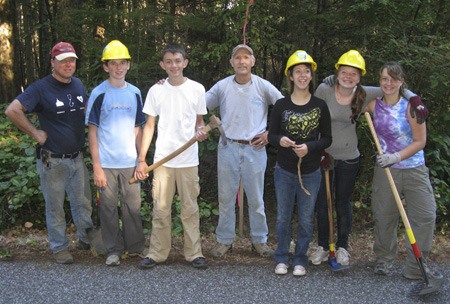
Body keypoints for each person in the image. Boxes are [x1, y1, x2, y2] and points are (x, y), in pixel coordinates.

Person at [310, 50, 429, 266]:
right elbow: (313, 114)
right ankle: (323, 245)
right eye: (343, 72)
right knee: (322, 203)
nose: (348, 76)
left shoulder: (365, 93)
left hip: (350, 157)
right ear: (337, 73)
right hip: (324, 155)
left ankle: (343, 247)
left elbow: (395, 88)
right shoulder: (325, 89)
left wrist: (415, 98)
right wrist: (318, 149)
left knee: (342, 203)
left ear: (360, 77)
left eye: (353, 73)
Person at [4, 42, 94, 264]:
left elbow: (85, 111)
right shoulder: (41, 88)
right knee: (55, 206)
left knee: (83, 202)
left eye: (71, 60)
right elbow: (12, 110)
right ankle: (59, 247)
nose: (68, 64)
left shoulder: (78, 85)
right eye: (63, 60)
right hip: (52, 160)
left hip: (76, 156)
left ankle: (86, 239)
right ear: (53, 62)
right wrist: (35, 133)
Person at [206, 44, 284, 258]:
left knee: (256, 198)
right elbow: (199, 104)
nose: (242, 61)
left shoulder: (262, 86)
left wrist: (270, 134)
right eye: (237, 58)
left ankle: (259, 240)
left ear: (253, 61)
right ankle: (224, 240)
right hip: (228, 146)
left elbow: (285, 107)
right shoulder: (222, 87)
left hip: (255, 149)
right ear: (231, 63)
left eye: (246, 57)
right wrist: (167, 85)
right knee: (226, 197)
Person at [366, 62, 442, 280]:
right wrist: (331, 82)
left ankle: (416, 266)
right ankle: (384, 259)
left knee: (425, 215)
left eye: (393, 79)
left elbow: (420, 141)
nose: (388, 83)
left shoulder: (411, 106)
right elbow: (350, 97)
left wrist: (396, 156)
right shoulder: (373, 105)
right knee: (384, 216)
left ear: (401, 81)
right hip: (385, 171)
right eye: (383, 79)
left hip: (413, 169)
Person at [135, 43, 208, 269]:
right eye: (169, 61)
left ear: (185, 63)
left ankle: (194, 253)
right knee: (161, 209)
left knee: (190, 209)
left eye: (178, 61)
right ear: (162, 65)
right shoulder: (156, 90)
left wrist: (202, 131)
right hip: (163, 161)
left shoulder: (197, 89)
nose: (174, 65)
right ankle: (157, 253)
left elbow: (200, 123)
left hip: (188, 160)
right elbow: (149, 126)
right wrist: (142, 159)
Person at [268, 50, 332, 276]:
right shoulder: (281, 105)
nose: (303, 75)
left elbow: (327, 138)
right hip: (284, 171)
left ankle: (300, 259)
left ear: (311, 76)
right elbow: (271, 136)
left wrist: (311, 147)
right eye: (298, 71)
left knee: (306, 218)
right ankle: (282, 257)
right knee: (283, 217)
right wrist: (280, 141)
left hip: (311, 171)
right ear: (291, 76)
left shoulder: (320, 105)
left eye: (307, 71)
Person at [85, 40, 146, 266]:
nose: (118, 67)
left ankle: (136, 246)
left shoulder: (135, 93)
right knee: (108, 208)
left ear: (128, 65)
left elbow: (138, 129)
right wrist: (97, 167)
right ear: (106, 67)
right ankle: (112, 250)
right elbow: (93, 132)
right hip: (107, 164)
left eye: (123, 63)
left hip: (130, 162)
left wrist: (141, 160)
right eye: (113, 63)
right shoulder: (99, 93)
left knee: (133, 207)